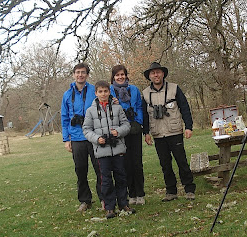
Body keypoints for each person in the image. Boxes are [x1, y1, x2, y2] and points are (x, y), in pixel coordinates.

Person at [142, 62, 196, 202]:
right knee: (165, 164)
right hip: (158, 134)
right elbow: (144, 115)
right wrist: (146, 133)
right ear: (149, 76)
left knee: (182, 161)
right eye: (153, 73)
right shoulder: (146, 94)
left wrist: (188, 127)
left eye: (158, 72)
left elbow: (185, 108)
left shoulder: (174, 88)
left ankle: (189, 189)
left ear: (163, 73)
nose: (156, 75)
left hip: (175, 131)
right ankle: (171, 191)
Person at [83, 80, 136, 219]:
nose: (103, 94)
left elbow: (126, 125)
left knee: (121, 177)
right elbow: (86, 129)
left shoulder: (118, 108)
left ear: (109, 92)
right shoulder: (90, 111)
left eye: (106, 91)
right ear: (96, 93)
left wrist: (117, 132)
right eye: (100, 91)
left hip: (117, 149)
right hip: (101, 151)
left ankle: (123, 203)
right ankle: (109, 207)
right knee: (105, 180)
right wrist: (96, 139)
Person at [61, 63, 103, 212]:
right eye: (78, 72)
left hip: (94, 135)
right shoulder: (67, 95)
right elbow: (64, 118)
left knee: (100, 169)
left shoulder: (94, 90)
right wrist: (66, 139)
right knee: (80, 170)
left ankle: (104, 198)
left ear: (87, 75)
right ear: (73, 75)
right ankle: (85, 200)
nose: (80, 75)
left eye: (83, 72)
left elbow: (106, 101)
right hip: (77, 137)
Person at [110, 65, 146, 205]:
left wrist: (138, 121)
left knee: (137, 162)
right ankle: (131, 194)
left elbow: (138, 106)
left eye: (122, 74)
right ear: (113, 77)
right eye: (117, 75)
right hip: (119, 130)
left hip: (134, 127)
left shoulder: (134, 89)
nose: (120, 77)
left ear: (126, 75)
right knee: (125, 164)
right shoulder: (111, 91)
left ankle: (140, 193)